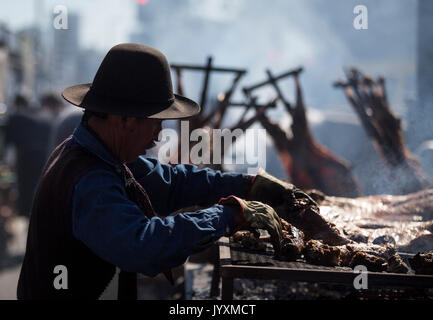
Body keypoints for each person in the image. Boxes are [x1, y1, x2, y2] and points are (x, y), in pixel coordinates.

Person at [17, 43, 311, 299]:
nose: (159, 135)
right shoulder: (89, 178)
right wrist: (230, 214)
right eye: (157, 122)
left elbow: (172, 183)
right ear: (126, 120)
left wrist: (249, 184)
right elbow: (143, 245)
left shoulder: (107, 157)